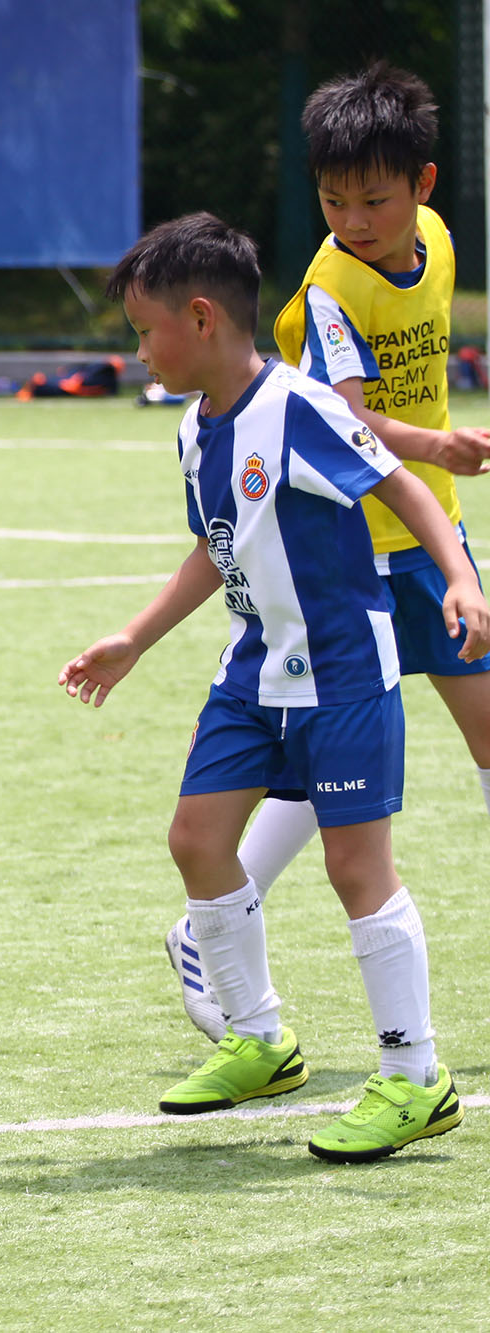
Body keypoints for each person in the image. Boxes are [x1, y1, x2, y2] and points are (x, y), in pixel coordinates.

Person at [61, 213, 488, 1162]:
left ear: (202, 318)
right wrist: (132, 639)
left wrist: (459, 574)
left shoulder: (296, 408)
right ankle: (259, 1038)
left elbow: (404, 487)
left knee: (354, 869)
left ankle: (416, 1075)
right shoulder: (192, 428)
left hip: (341, 667)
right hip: (254, 672)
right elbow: (217, 552)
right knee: (197, 840)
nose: (138, 352)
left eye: (144, 330)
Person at [162, 62, 490, 1043]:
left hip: (426, 532)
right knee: (327, 761)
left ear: (422, 188)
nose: (351, 218)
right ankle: (207, 923)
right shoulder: (322, 298)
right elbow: (349, 429)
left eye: (371, 199)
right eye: (330, 199)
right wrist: (438, 446)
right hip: (347, 559)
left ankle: (211, 916)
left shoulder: (430, 243)